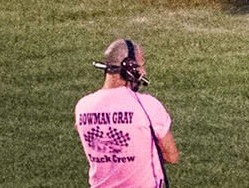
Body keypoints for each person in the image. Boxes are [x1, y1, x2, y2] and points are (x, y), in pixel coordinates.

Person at [75, 38, 179, 188]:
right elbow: (171, 156)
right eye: (141, 66)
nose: (144, 72)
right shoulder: (147, 105)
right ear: (130, 69)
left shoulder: (83, 106)